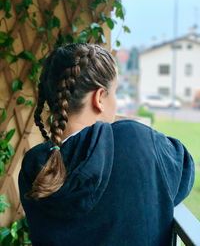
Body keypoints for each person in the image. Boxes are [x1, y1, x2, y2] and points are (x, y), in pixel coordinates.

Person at [18, 43, 195, 246]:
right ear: (99, 98)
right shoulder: (136, 140)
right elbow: (185, 170)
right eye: (115, 93)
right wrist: (130, 125)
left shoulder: (35, 165)